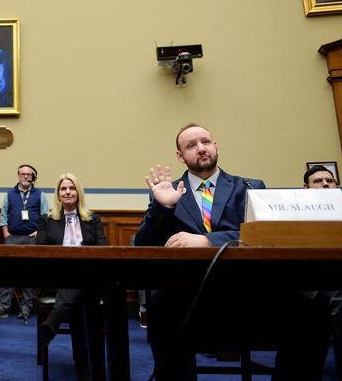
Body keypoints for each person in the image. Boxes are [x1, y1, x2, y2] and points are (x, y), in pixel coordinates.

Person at [135, 123, 329, 381]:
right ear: (180, 156)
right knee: (162, 310)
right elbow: (143, 245)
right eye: (191, 146)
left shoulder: (249, 187)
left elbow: (264, 236)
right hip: (189, 300)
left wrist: (207, 241)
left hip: (249, 295)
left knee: (312, 305)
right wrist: (162, 208)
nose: (201, 148)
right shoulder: (168, 192)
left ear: (216, 145)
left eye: (205, 141)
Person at [36, 173, 106, 381]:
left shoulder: (93, 219)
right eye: (63, 189)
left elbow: (103, 250)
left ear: (78, 193)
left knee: (82, 288)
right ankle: (87, 366)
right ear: (58, 194)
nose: (68, 192)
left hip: (87, 278)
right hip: (56, 278)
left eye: (72, 188)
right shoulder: (46, 220)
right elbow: (40, 253)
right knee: (83, 296)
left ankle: (54, 319)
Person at [0, 164, 48, 320]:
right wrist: (6, 234)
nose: (26, 177)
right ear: (18, 176)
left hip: (32, 238)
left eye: (29, 174)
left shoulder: (40, 195)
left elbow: (45, 217)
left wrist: (37, 233)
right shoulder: (10, 195)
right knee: (7, 272)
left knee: (29, 273)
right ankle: (3, 306)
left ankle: (26, 307)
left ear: (33, 177)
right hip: (12, 237)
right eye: (23, 174)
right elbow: (3, 216)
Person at [302, 164, 342, 378]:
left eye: (330, 181)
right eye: (318, 181)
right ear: (306, 189)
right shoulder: (293, 214)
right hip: (309, 281)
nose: (326, 184)